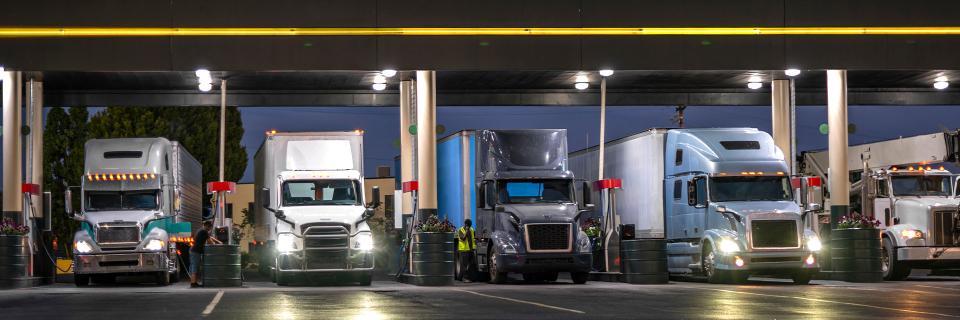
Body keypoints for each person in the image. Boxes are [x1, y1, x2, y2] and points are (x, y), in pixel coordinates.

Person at [190, 220, 222, 288]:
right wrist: (216, 245)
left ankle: (194, 282)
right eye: (210, 227)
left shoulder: (201, 230)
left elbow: (210, 237)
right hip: (196, 251)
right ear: (207, 226)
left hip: (194, 250)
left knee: (195, 266)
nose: (210, 228)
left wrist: (219, 241)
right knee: (195, 267)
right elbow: (210, 241)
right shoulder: (204, 231)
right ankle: (193, 283)